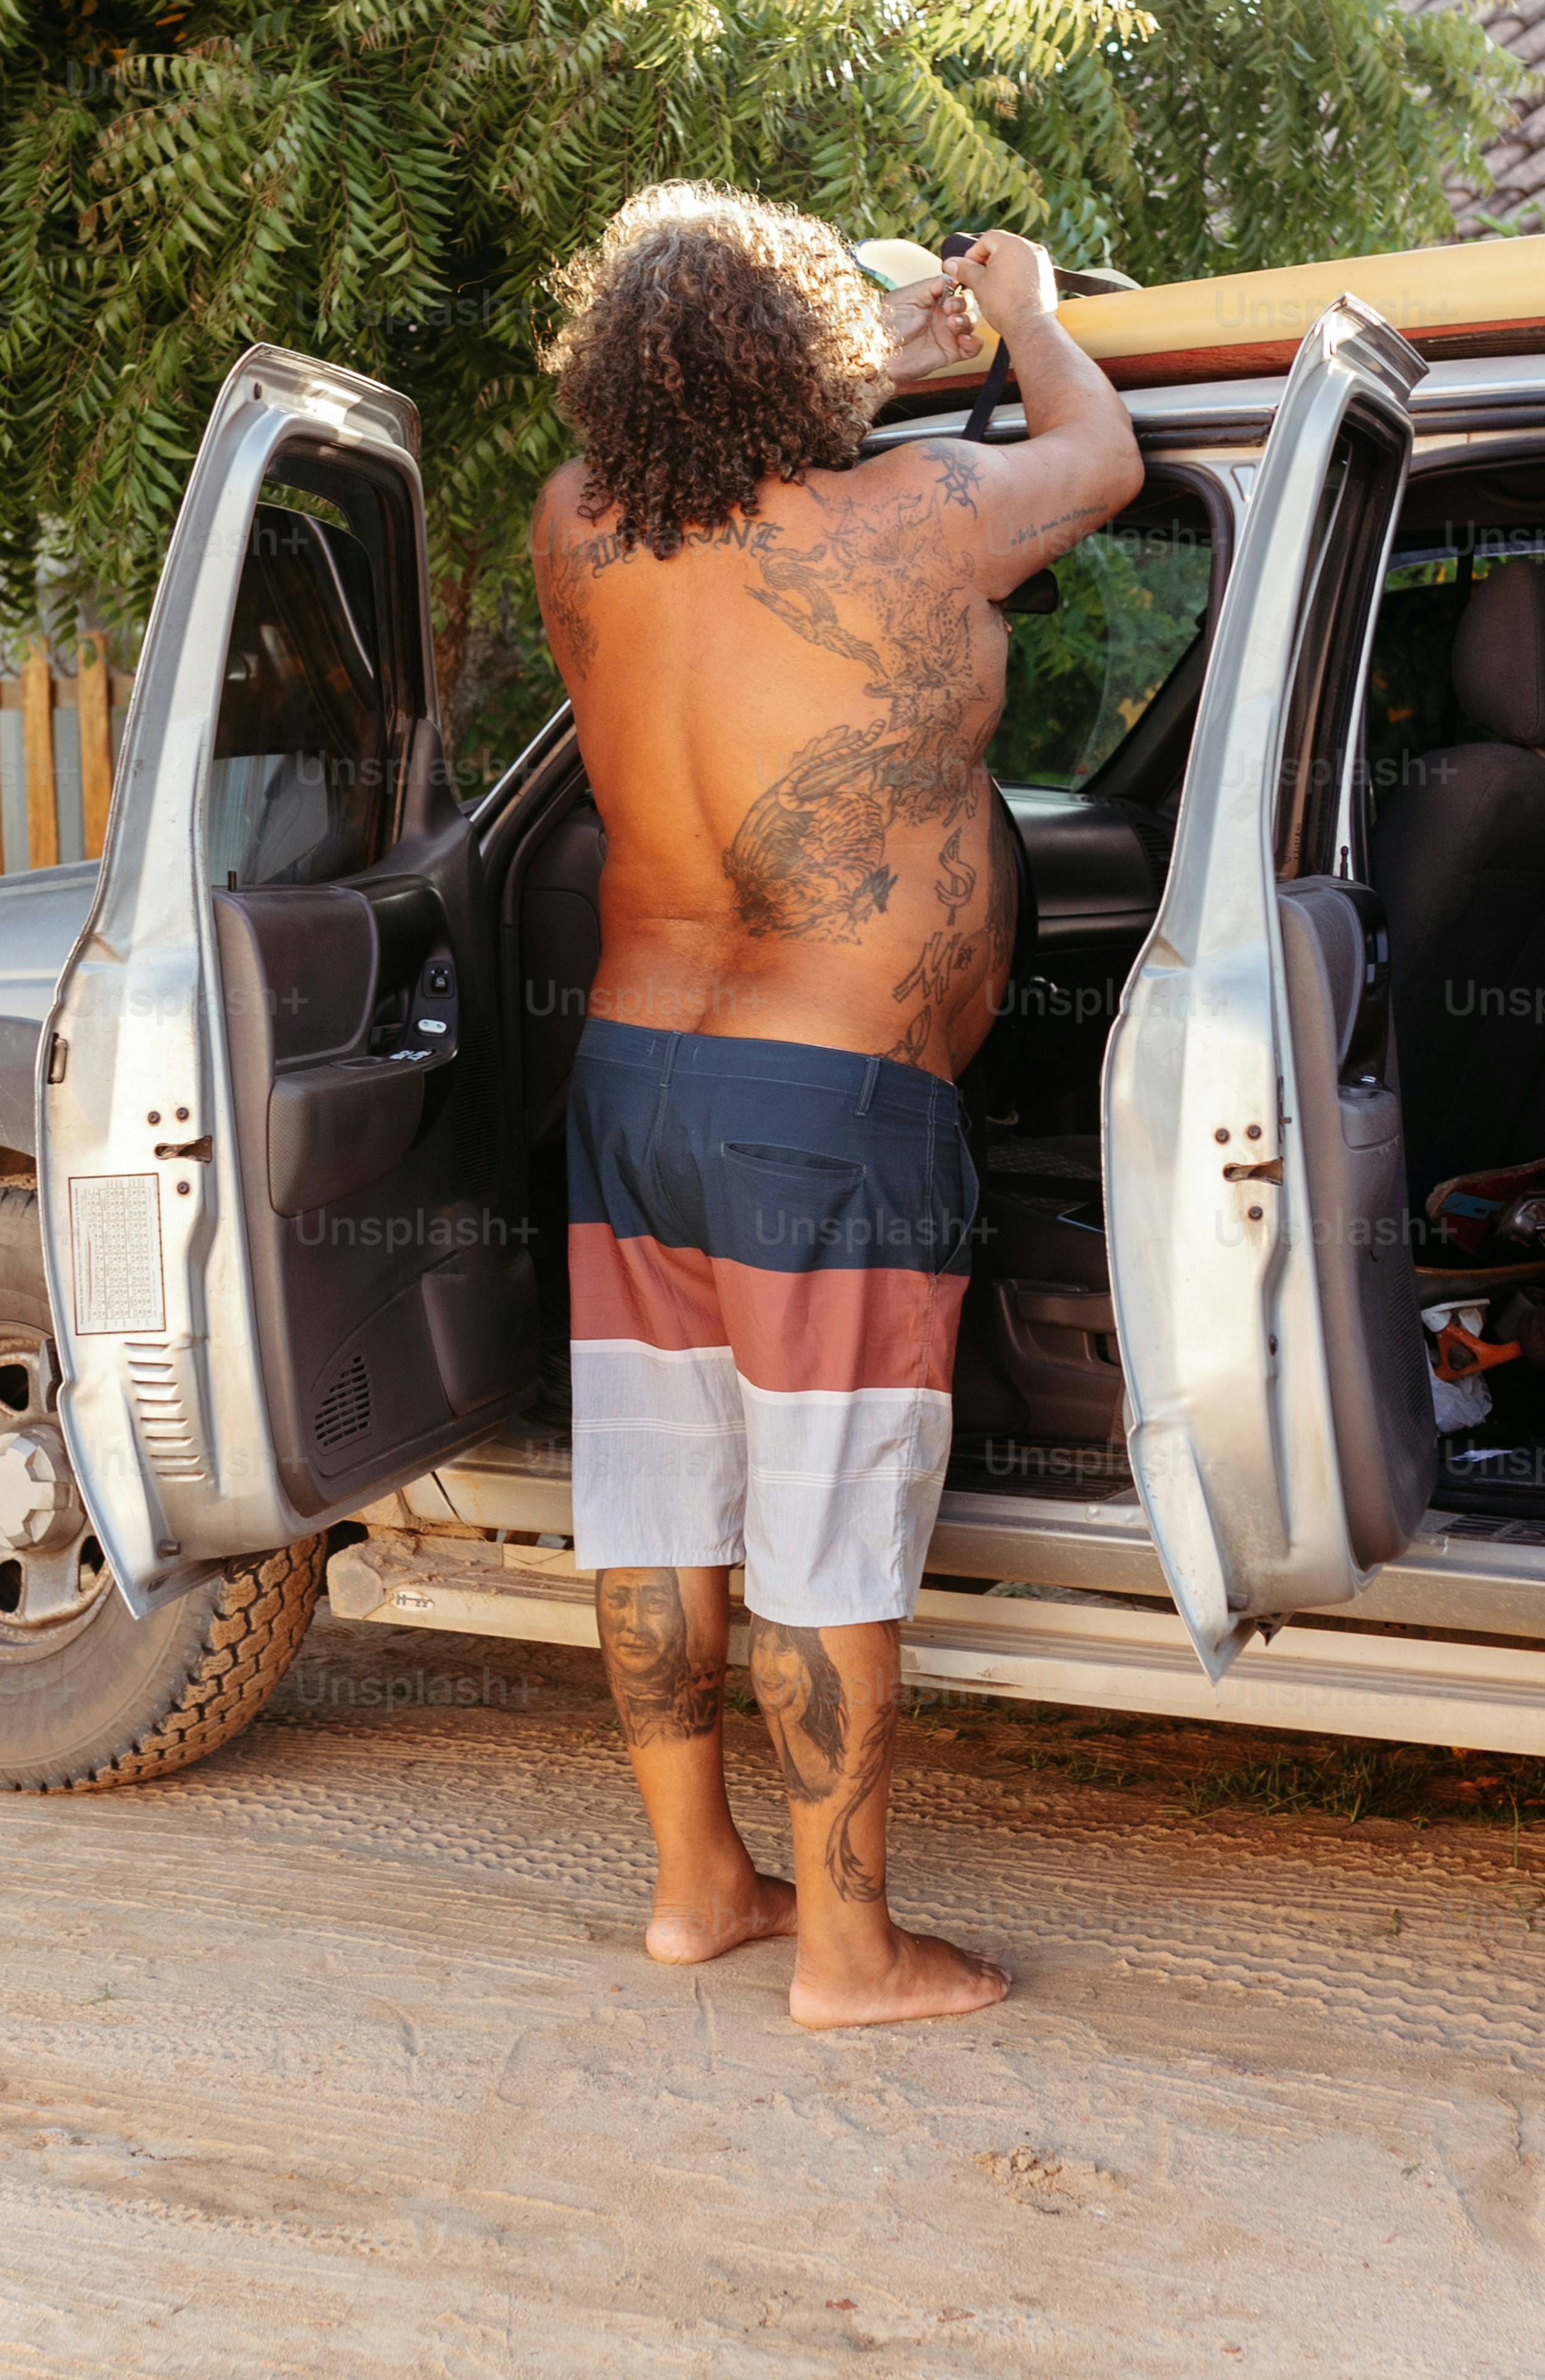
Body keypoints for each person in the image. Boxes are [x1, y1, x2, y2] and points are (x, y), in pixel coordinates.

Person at [531, 186, 1142, 2026]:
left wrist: (877, 345)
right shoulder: (923, 520)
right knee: (826, 1539)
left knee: (659, 1509)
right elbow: (1100, 455)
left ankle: (699, 1890)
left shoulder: (579, 531)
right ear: (811, 363)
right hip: (830, 1105)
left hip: (635, 1073)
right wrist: (1020, 308)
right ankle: (852, 1955)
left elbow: (726, 438)